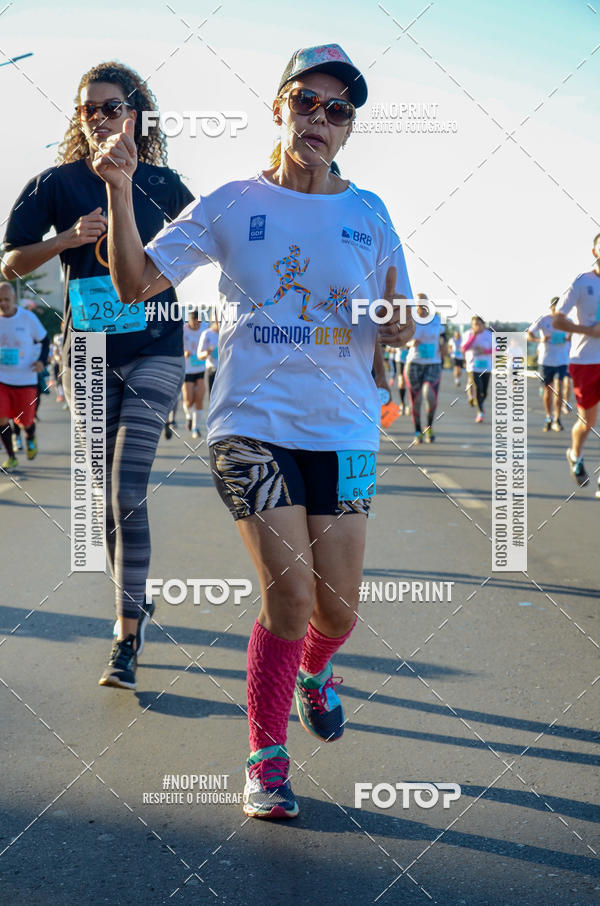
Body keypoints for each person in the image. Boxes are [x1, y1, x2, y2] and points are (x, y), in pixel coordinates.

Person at [94, 42, 414, 818]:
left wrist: (400, 326)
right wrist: (122, 188)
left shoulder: (369, 212)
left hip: (345, 431)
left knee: (337, 611)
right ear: (279, 108)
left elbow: (396, 315)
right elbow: (135, 284)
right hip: (251, 427)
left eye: (338, 110)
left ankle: (315, 671)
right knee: (292, 595)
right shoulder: (233, 202)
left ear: (348, 131)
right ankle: (266, 757)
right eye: (307, 101)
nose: (320, 118)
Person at [2, 61, 194, 687]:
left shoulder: (164, 185)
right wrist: (63, 242)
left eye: (112, 108)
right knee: (104, 502)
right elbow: (9, 263)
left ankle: (125, 638)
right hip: (86, 355)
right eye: (89, 109)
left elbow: (203, 253)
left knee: (126, 487)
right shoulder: (54, 185)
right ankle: (134, 597)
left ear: (135, 115)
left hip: (156, 346)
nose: (99, 119)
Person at [553, 233, 600, 488]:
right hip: (585, 361)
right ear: (595, 252)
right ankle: (575, 454)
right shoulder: (582, 282)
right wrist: (589, 331)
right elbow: (558, 320)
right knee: (587, 422)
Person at [0, 282, 48, 470]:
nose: (3, 304)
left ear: (14, 299)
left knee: (25, 422)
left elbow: (43, 340)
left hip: (26, 379)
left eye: (6, 299)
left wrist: (42, 362)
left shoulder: (28, 318)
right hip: (2, 379)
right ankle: (11, 456)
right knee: (1, 417)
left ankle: (30, 436)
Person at [405, 294, 446, 442]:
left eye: (423, 303)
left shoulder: (436, 319)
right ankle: (417, 431)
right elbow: (402, 341)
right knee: (416, 400)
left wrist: (443, 347)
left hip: (433, 363)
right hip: (414, 363)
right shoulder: (410, 320)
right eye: (418, 304)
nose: (421, 307)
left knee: (430, 396)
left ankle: (428, 427)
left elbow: (443, 336)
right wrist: (410, 344)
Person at [527, 297, 570, 431]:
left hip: (562, 360)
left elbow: (578, 334)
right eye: (556, 307)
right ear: (551, 307)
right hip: (546, 360)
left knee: (559, 389)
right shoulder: (543, 320)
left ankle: (557, 418)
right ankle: (548, 417)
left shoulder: (568, 321)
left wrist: (570, 337)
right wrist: (541, 339)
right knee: (548, 391)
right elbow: (529, 335)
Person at [181, 309, 206, 439]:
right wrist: (184, 351)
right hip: (187, 369)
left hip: (201, 368)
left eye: (198, 324)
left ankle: (196, 428)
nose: (196, 326)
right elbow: (176, 345)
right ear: (189, 321)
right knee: (188, 400)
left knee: (199, 398)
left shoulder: (205, 328)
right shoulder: (183, 330)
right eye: (193, 323)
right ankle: (189, 417)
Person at [462, 316, 493, 422]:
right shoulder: (468, 334)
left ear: (483, 325)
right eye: (475, 324)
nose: (477, 326)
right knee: (478, 388)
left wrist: (484, 351)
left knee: (484, 392)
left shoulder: (489, 335)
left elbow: (496, 349)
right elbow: (464, 348)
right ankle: (480, 412)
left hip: (486, 367)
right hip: (473, 367)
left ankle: (479, 402)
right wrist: (473, 337)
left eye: (479, 324)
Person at [197, 317, 219, 398]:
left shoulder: (230, 333)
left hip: (227, 372)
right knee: (213, 399)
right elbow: (199, 355)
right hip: (213, 370)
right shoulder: (207, 333)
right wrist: (207, 352)